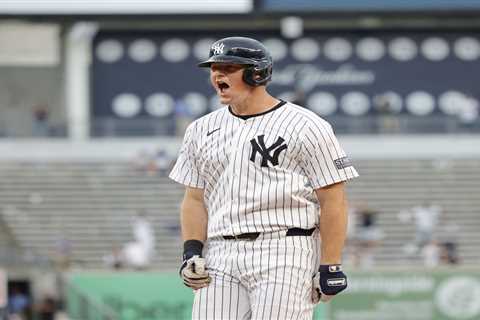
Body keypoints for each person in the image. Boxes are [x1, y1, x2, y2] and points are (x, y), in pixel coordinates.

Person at [169, 36, 359, 319]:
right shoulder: (200, 129)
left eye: (229, 67)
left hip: (284, 248)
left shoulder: (307, 125)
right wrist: (192, 252)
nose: (217, 74)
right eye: (213, 68)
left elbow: (333, 199)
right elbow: (194, 198)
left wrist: (330, 264)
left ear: (256, 73)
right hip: (220, 251)